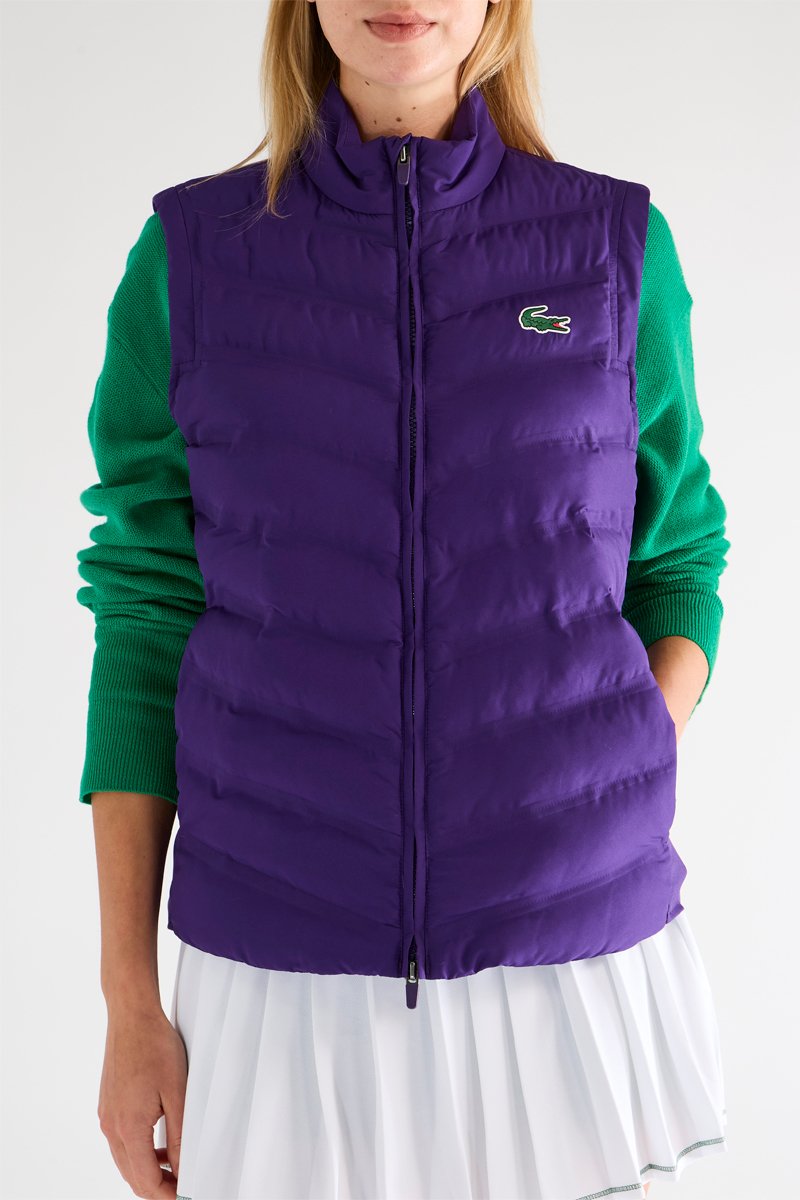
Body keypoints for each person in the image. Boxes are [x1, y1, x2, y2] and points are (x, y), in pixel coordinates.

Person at [76, 2, 730, 1198]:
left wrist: (619, 755)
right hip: (277, 962)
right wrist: (129, 1001)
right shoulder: (193, 257)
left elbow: (677, 557)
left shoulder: (609, 244)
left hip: (565, 953)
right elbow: (145, 612)